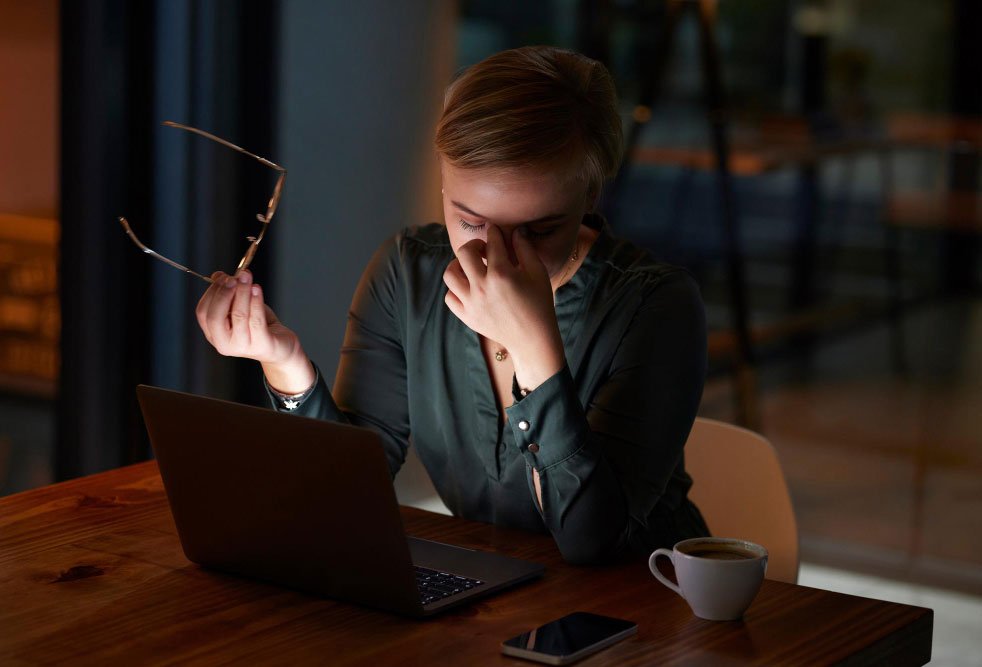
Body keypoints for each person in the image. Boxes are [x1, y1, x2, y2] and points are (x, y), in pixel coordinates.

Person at [196, 45, 709, 564]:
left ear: (590, 196)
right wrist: (283, 362)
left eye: (539, 230)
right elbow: (342, 495)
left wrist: (534, 350)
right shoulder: (408, 272)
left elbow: (593, 546)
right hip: (492, 597)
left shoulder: (657, 305)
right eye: (469, 220)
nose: (499, 256)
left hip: (647, 608)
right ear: (443, 183)